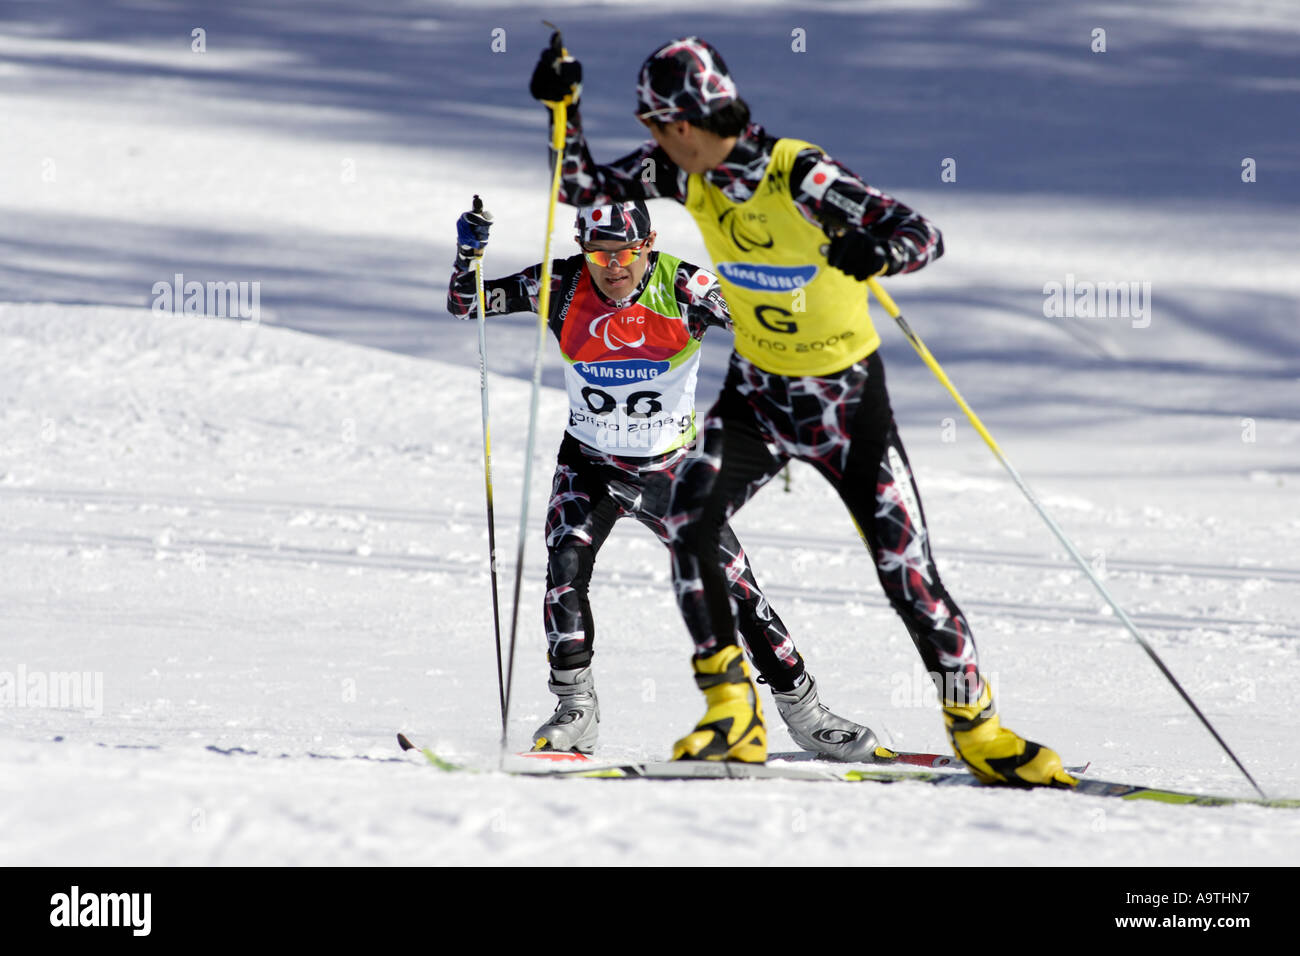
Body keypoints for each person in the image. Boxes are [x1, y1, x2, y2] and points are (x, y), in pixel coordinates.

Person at [528, 37, 1073, 784]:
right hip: (758, 396)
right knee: (692, 521)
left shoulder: (800, 173)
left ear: (681, 122)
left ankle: (978, 729)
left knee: (906, 574)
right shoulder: (687, 175)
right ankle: (733, 710)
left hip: (844, 404)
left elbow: (921, 235)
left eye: (653, 128)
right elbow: (583, 191)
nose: (650, 145)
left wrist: (878, 255)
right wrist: (565, 110)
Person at [447, 197, 878, 761]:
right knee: (564, 573)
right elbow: (466, 305)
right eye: (597, 252)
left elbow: (767, 323)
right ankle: (575, 712)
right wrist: (468, 255)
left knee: (737, 590)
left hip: (673, 472)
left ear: (647, 245)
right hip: (590, 466)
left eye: (623, 251)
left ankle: (808, 715)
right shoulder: (559, 284)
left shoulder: (685, 287)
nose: (611, 265)